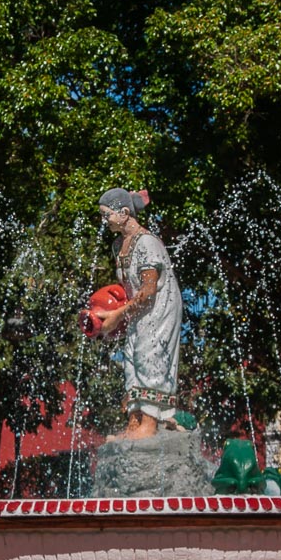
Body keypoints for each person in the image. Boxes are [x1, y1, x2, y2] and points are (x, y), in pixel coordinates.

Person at [93, 187, 183, 441]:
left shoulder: (147, 243)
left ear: (123, 213)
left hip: (159, 308)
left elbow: (149, 291)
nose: (104, 221)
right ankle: (134, 422)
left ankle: (150, 423)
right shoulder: (117, 246)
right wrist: (107, 315)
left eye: (106, 215)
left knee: (149, 355)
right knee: (131, 357)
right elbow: (126, 291)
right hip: (138, 309)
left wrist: (118, 316)